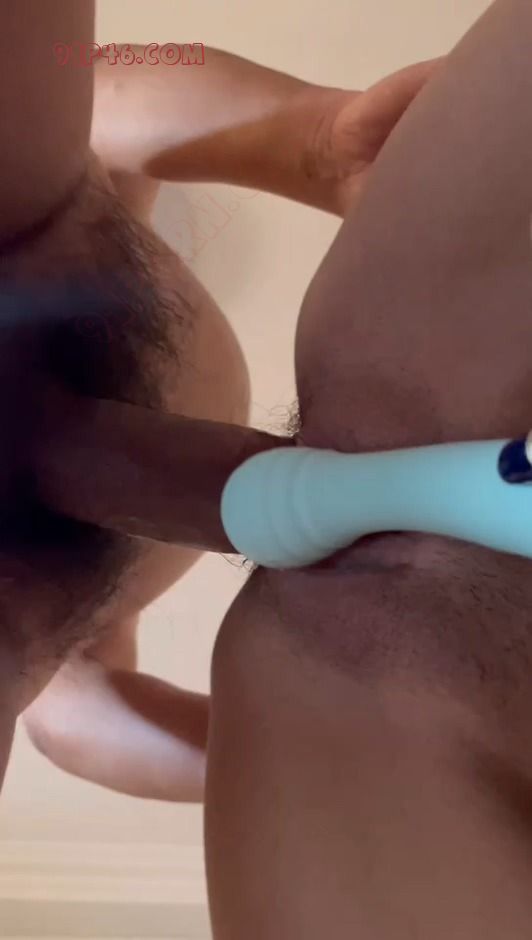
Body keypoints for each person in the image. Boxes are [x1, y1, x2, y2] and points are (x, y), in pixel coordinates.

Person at [0, 1, 435, 805]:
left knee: (65, 116)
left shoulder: (61, 206)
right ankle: (342, 766)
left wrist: (312, 141)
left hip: (30, 233)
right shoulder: (68, 662)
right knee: (66, 719)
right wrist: (333, 763)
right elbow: (83, 732)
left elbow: (111, 77)